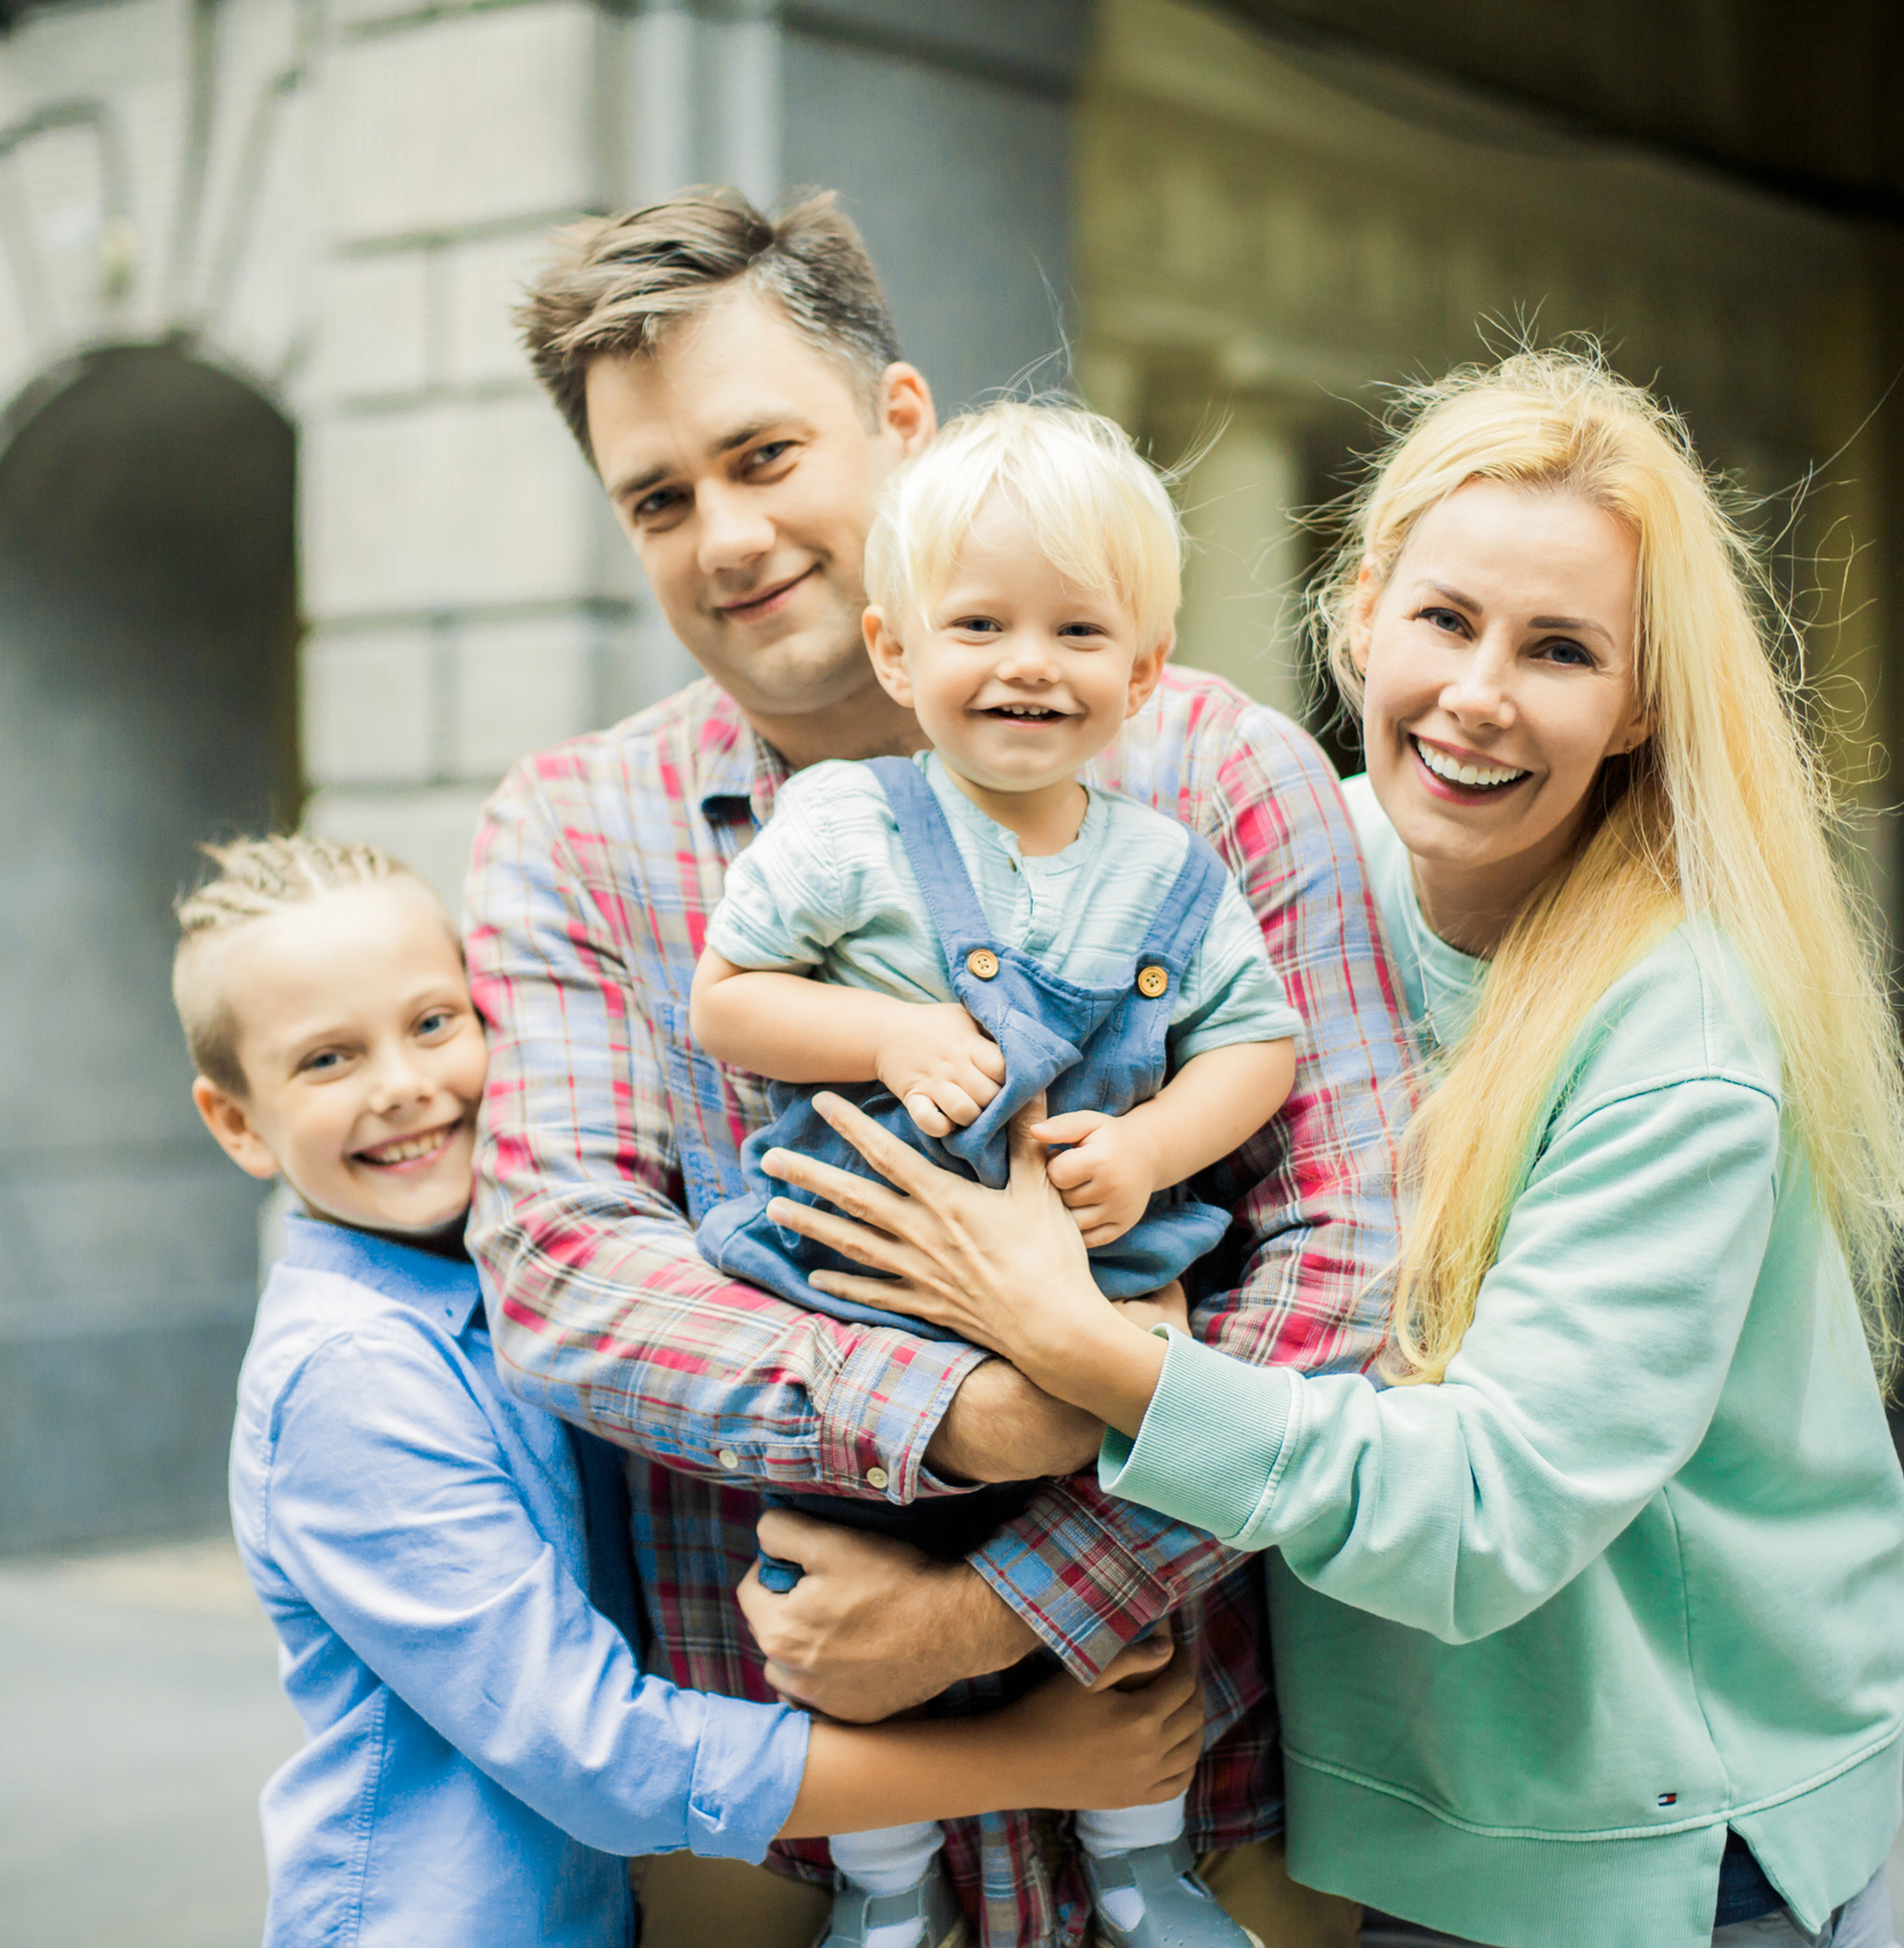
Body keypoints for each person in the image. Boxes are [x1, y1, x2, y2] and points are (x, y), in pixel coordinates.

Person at [751, 347, 1904, 1948]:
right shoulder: (1288, 878)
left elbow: (1489, 1507)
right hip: (1370, 1826)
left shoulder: (1673, 1024)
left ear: (1637, 698)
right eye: (1444, 619)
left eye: (1558, 648)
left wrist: (1080, 1353)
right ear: (1358, 611)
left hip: (1649, 1849)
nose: (1478, 691)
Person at [472, 186, 1412, 1948]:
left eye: (765, 454)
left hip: (1210, 1795)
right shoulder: (573, 833)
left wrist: (999, 1608)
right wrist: (962, 1412)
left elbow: (1347, 1256)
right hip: (791, 1840)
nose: (727, 535)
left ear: (900, 426)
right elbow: (568, 1277)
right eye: (659, 498)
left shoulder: (1217, 770)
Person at [176, 834, 1207, 1948]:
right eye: (327, 1061)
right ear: (237, 1121)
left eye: (433, 1023)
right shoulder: (353, 1376)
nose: (405, 1086)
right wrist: (1034, 1761)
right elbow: (599, 1755)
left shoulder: (522, 1276)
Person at [688, 399, 1301, 1948]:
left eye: (1075, 628)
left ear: (1142, 670)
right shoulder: (846, 824)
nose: (1026, 661)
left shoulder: (1170, 866)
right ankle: (883, 1896)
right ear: (897, 652)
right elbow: (730, 997)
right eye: (979, 623)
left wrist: (1152, 1143)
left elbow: (1255, 1044)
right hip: (871, 1308)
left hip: (1096, 1293)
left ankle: (1138, 1861)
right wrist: (890, 1032)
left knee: (1117, 1601)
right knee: (847, 1596)